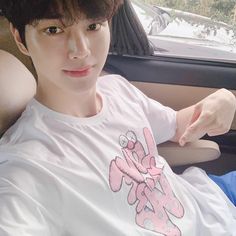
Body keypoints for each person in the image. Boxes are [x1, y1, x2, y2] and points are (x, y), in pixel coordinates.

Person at [0, 1, 236, 235]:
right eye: (53, 30)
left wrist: (223, 101)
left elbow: (177, 125)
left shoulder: (117, 89)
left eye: (93, 26)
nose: (81, 50)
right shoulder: (25, 165)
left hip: (211, 197)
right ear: (20, 39)